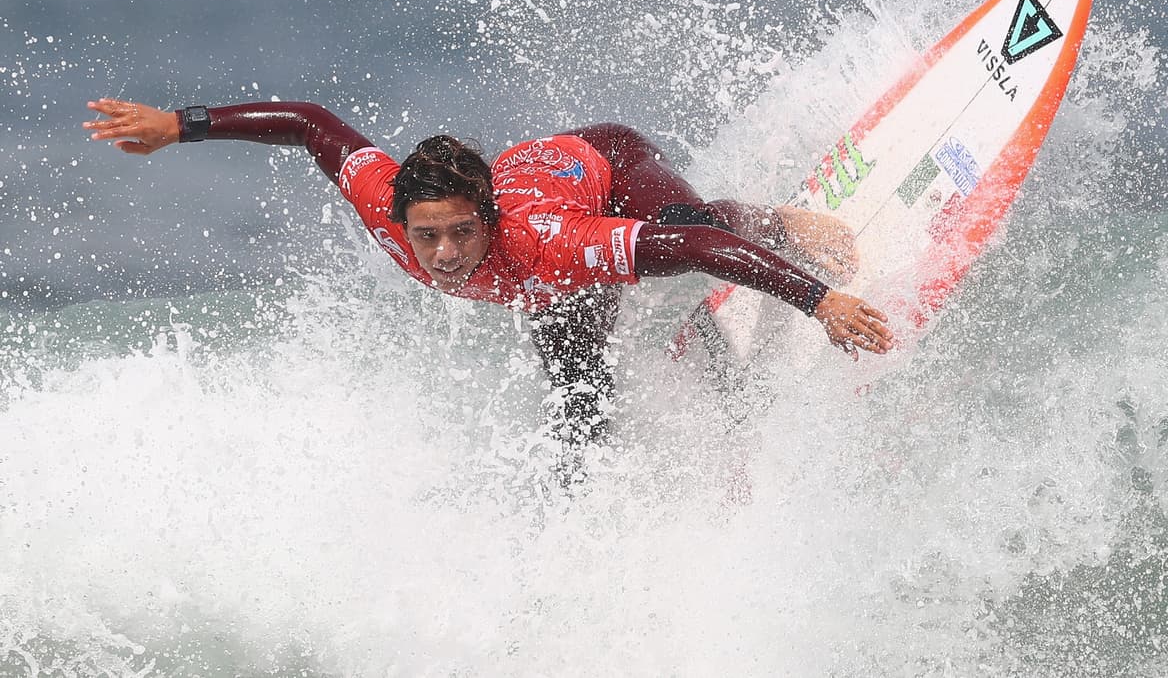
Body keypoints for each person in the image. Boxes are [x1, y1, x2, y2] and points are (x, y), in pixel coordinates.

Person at [84, 98, 893, 447]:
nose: (442, 256)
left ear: (490, 220)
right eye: (427, 236)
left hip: (605, 165)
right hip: (543, 277)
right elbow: (309, 125)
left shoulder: (544, 241)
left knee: (688, 231)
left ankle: (777, 220)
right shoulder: (390, 207)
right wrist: (178, 127)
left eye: (461, 234)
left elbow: (694, 253)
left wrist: (820, 300)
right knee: (580, 412)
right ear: (402, 221)